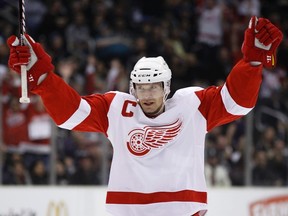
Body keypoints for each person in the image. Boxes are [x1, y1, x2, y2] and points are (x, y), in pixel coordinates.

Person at [6, 16, 283, 216]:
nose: (147, 95)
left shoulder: (192, 106)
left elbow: (237, 102)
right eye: (141, 87)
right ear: (132, 87)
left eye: (154, 87)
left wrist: (253, 62)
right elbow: (70, 114)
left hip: (183, 211)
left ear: (167, 87)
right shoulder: (117, 109)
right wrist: (42, 76)